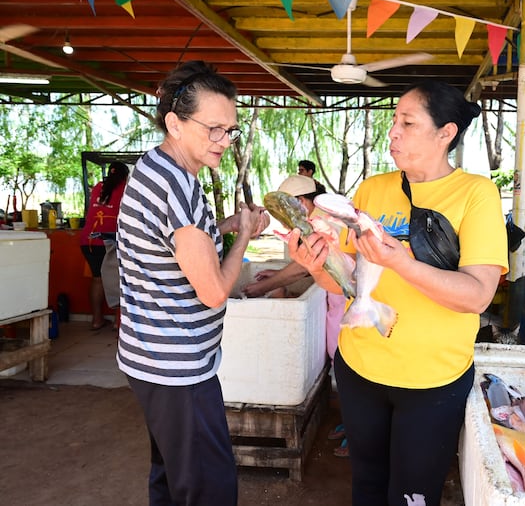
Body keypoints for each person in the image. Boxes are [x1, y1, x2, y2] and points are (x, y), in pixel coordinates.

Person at [286, 80, 509, 505]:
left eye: (407, 123)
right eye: (394, 122)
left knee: (413, 495)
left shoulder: (475, 194)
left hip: (431, 382)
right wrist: (315, 265)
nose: (393, 133)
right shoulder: (374, 189)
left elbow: (478, 295)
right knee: (367, 485)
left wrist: (401, 262)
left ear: (446, 133)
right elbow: (346, 281)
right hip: (360, 369)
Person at [116, 60, 270, 506]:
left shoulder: (156, 167)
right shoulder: (177, 187)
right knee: (208, 488)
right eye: (214, 129)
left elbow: (181, 241)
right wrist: (243, 236)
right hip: (178, 367)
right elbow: (215, 291)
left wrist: (227, 224)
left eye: (231, 131)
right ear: (175, 123)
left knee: (173, 478)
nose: (224, 141)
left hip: (151, 356)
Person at [242, 173, 349, 456]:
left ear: (301, 202)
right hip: (336, 300)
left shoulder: (323, 222)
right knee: (339, 361)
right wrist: (277, 275)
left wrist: (264, 286)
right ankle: (351, 423)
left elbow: (306, 267)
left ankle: (359, 432)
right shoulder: (312, 218)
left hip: (348, 301)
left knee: (347, 362)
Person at [80, 161, 129, 330]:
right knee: (119, 280)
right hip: (109, 240)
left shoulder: (98, 187)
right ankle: (119, 323)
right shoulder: (125, 187)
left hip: (88, 240)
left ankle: (97, 320)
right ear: (124, 175)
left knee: (97, 279)